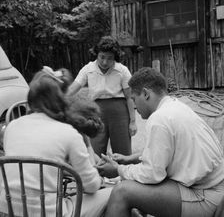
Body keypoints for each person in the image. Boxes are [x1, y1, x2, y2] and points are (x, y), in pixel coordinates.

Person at [96, 67, 224, 217]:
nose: (135, 106)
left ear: (145, 94)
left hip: (206, 195)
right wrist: (130, 159)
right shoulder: (175, 106)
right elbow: (166, 152)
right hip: (214, 188)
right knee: (135, 185)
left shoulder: (159, 119)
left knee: (121, 192)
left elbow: (152, 174)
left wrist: (118, 170)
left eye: (134, 99)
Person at [0, 69, 112, 217]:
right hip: (50, 213)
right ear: (62, 99)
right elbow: (91, 186)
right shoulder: (68, 133)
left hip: (8, 210)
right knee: (115, 193)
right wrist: (89, 149)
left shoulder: (11, 127)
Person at [67, 36, 137, 156]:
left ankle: (124, 174)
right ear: (97, 54)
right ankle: (96, 175)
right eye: (102, 57)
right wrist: (58, 99)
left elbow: (129, 97)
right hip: (96, 112)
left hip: (119, 113)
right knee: (95, 150)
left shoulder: (122, 70)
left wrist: (133, 122)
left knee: (123, 152)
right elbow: (73, 88)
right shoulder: (88, 69)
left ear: (115, 57)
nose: (105, 62)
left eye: (110, 58)